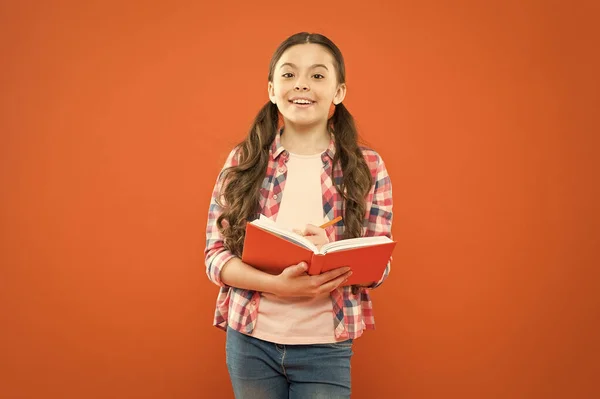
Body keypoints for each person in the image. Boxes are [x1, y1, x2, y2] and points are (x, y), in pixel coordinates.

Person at [204, 32, 393, 399]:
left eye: (318, 75)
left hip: (326, 345)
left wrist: (334, 252)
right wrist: (279, 285)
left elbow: (379, 268)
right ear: (272, 89)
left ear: (339, 92)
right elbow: (215, 258)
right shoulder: (243, 161)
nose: (301, 84)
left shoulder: (368, 167)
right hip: (250, 342)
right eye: (289, 75)